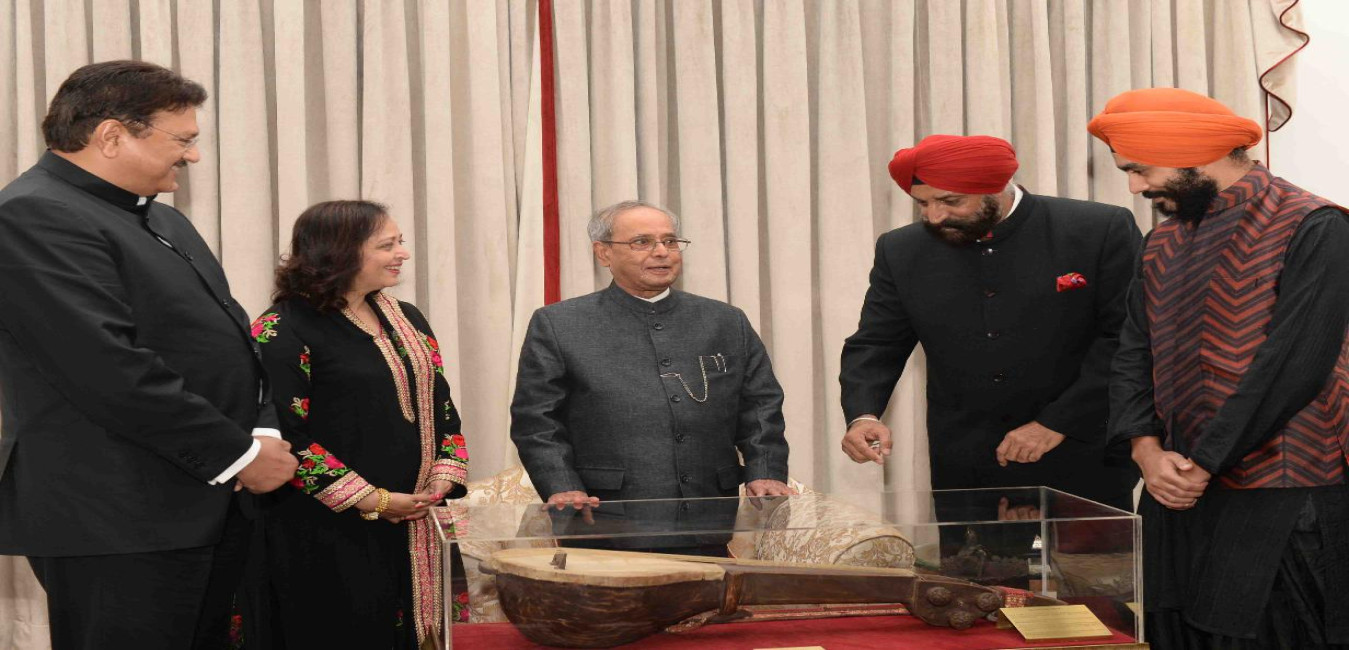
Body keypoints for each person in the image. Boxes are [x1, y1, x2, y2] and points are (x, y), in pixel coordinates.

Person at [0, 60, 298, 649]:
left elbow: (231, 336)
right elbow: (106, 368)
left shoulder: (159, 218)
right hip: (116, 516)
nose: (193, 156)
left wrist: (262, 428)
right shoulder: (33, 213)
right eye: (182, 140)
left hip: (198, 503)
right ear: (112, 135)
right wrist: (238, 455)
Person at [1093, 87, 1349, 649]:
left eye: (1139, 170)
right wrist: (1145, 450)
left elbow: (1292, 365)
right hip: (1175, 484)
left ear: (1192, 153)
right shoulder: (1162, 239)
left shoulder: (1313, 224)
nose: (1135, 188)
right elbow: (1134, 351)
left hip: (1282, 485)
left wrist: (1205, 462)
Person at [839, 135, 1141, 515]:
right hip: (969, 466)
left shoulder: (1097, 229)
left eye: (950, 201)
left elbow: (1126, 338)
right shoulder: (902, 249)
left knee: (1090, 556)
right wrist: (863, 415)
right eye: (923, 203)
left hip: (1081, 449)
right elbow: (877, 342)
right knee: (975, 557)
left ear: (996, 188)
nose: (934, 216)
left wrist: (1056, 423)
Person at [510, 200, 791, 556]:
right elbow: (537, 421)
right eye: (642, 242)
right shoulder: (560, 324)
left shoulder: (725, 321)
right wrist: (561, 485)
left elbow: (761, 404)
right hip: (604, 522)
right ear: (603, 253)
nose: (661, 252)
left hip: (707, 521)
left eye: (670, 241)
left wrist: (764, 469)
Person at [252, 200, 469, 648]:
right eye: (387, 245)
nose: (402, 254)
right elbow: (285, 435)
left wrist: (444, 475)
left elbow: (441, 404)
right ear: (339, 252)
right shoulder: (282, 328)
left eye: (399, 242)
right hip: (327, 529)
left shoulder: (406, 316)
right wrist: (375, 500)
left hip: (418, 518)